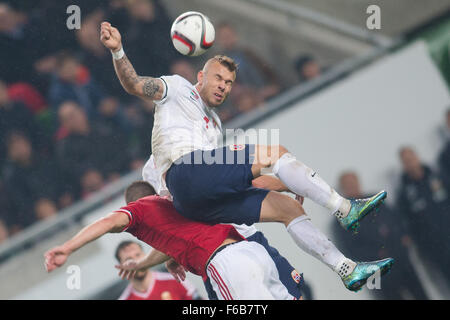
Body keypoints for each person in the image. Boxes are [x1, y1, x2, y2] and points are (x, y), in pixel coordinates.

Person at [100, 21, 394, 291]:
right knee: (273, 152)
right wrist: (118, 51)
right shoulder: (177, 90)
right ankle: (344, 208)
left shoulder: (213, 128)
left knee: (287, 209)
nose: (222, 87)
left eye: (228, 84)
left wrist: (291, 184)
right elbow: (135, 84)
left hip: (225, 220)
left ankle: (346, 268)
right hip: (210, 240)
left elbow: (234, 182)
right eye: (217, 78)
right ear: (200, 76)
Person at [45, 181, 298, 300]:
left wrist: (67, 248)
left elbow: (107, 223)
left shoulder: (139, 210)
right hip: (251, 250)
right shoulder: (175, 203)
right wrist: (143, 264)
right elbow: (173, 243)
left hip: (226, 263)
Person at [142, 154, 307, 299]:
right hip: (239, 244)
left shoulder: (153, 170)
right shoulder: (196, 148)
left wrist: (171, 254)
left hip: (213, 256)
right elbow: (251, 179)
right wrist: (290, 184)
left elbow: (167, 221)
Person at [331, 171, 428, 300]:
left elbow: (396, 219)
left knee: (420, 294)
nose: (352, 186)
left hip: (400, 257)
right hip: (377, 271)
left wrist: (404, 237)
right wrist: (377, 255)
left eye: (353, 182)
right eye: (347, 184)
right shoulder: (342, 217)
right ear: (342, 189)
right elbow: (350, 249)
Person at [396, 147, 450, 286]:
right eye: (406, 161)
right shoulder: (404, 195)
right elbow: (408, 224)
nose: (410, 162)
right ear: (403, 164)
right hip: (438, 247)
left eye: (411, 158)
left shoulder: (439, 177)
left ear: (417, 157)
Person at [115, 240, 200, 300]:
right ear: (121, 267)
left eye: (138, 255)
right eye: (128, 259)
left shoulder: (177, 280)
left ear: (146, 256)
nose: (135, 262)